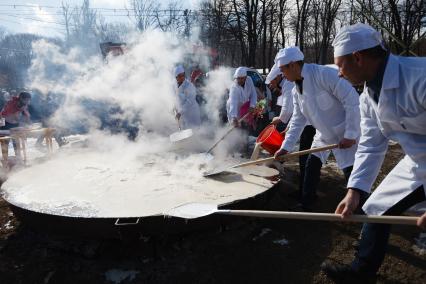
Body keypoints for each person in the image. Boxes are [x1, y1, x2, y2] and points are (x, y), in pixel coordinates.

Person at [320, 23, 426, 281]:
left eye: (340, 65)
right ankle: (361, 271)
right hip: (417, 163)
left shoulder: (420, 76)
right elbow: (370, 145)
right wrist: (354, 191)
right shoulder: (368, 97)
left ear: (357, 58)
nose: (340, 74)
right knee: (376, 209)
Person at [274, 46, 361, 211]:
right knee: (311, 165)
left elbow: (352, 100)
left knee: (353, 173)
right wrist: (285, 147)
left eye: (282, 70)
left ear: (293, 65)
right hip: (323, 135)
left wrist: (350, 134)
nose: (282, 75)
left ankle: (364, 211)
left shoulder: (324, 74)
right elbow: (298, 120)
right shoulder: (295, 91)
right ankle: (307, 201)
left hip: (346, 132)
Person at [0, 91, 31, 159]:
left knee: (16, 142)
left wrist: (28, 123)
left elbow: (26, 115)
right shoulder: (11, 103)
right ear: (21, 98)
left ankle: (18, 159)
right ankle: (5, 161)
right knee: (5, 143)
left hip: (14, 125)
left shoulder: (24, 104)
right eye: (26, 100)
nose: (28, 101)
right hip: (5, 124)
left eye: (29, 100)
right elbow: (3, 115)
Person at [267, 63, 294, 129]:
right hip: (288, 115)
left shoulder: (288, 83)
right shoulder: (283, 83)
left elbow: (287, 107)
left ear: (278, 77)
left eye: (272, 82)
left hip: (294, 116)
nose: (271, 85)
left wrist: (280, 118)